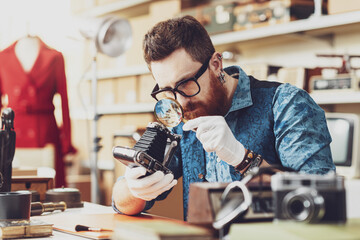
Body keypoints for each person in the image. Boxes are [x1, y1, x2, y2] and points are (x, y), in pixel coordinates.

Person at [112, 15, 335, 220]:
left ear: (216, 65)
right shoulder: (181, 120)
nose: (179, 102)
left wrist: (243, 158)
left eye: (186, 83)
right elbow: (120, 203)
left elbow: (322, 202)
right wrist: (134, 188)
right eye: (168, 91)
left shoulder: (287, 104)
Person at [0, 36, 76, 187]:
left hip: (45, 132)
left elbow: (65, 101)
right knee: (13, 185)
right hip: (13, 130)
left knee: (51, 188)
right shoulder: (3, 57)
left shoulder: (54, 57)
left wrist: (66, 141)